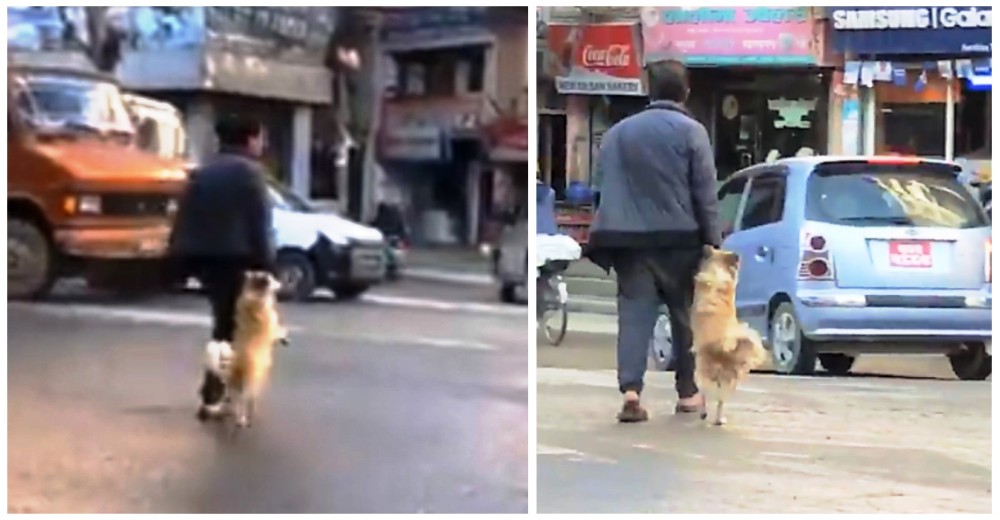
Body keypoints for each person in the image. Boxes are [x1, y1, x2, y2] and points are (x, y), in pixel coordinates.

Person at [586, 59, 723, 423]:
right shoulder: (692, 132)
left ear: (650, 90)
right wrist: (715, 242)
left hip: (627, 241)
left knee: (634, 315)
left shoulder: (616, 134)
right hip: (680, 241)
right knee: (684, 317)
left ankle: (631, 392)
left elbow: (601, 190)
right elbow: (705, 193)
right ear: (685, 91)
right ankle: (689, 394)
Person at [168, 114, 276, 421]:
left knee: (223, 323)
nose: (263, 144)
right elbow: (259, 224)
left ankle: (219, 393)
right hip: (237, 259)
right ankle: (215, 396)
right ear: (250, 139)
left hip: (205, 261)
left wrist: (179, 258)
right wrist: (268, 265)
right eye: (261, 138)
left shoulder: (204, 172)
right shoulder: (250, 174)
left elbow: (183, 217)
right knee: (230, 329)